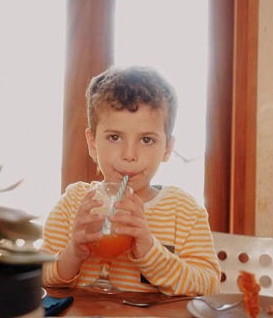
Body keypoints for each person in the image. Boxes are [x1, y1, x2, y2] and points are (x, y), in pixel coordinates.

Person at [40, 65, 220, 296]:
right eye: (114, 137)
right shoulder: (74, 203)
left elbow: (210, 286)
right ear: (92, 142)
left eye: (146, 140)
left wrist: (150, 250)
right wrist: (73, 253)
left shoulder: (184, 212)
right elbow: (38, 275)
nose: (129, 154)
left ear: (167, 148)